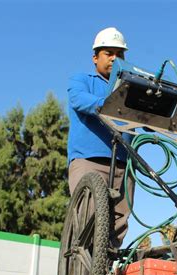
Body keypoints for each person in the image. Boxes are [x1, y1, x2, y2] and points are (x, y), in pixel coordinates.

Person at [67, 27, 134, 249]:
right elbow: (79, 100)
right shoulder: (82, 80)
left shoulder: (130, 87)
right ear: (96, 57)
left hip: (123, 164)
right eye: (109, 53)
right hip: (89, 160)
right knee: (88, 219)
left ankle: (105, 273)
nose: (115, 58)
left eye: (120, 54)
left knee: (119, 224)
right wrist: (110, 104)